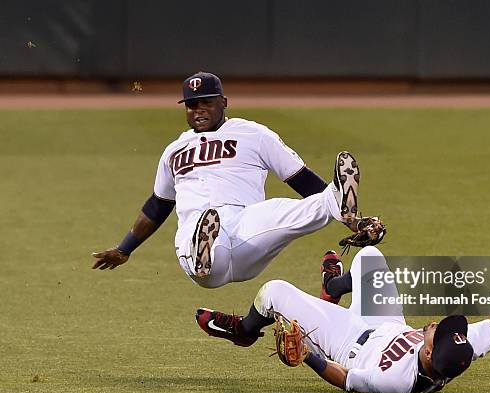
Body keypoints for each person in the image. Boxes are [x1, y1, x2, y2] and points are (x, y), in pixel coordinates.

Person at [91, 71, 371, 288]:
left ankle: (339, 201)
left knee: (283, 210)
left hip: (246, 228)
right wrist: (124, 249)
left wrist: (355, 223)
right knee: (203, 231)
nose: (198, 110)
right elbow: (158, 205)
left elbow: (302, 181)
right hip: (201, 232)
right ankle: (202, 255)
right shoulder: (174, 150)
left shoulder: (254, 134)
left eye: (206, 103)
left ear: (223, 103)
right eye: (191, 105)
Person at [196, 231, 490, 393]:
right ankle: (332, 289)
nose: (437, 326)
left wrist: (306, 356)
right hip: (385, 323)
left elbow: (346, 379)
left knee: (273, 291)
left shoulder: (396, 381)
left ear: (428, 353)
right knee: (369, 257)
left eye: (435, 333)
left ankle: (244, 330)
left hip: (345, 341)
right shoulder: (458, 349)